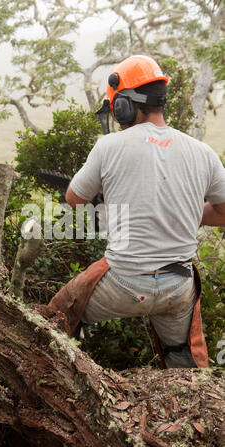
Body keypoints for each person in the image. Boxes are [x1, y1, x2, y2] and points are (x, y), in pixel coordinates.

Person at [48, 55, 225, 368]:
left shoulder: (109, 146)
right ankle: (187, 387)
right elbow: (223, 214)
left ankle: (61, 371)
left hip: (123, 284)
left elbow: (74, 199)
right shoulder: (203, 152)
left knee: (58, 314)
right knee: (180, 356)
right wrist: (180, 208)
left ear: (123, 105)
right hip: (177, 286)